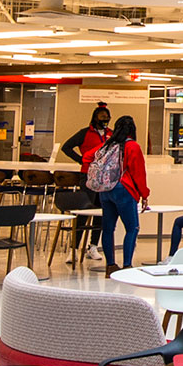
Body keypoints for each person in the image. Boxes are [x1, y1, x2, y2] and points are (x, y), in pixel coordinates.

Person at [94, 114, 149, 277]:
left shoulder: (108, 144)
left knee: (108, 228)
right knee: (132, 228)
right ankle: (126, 266)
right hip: (124, 189)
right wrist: (144, 194)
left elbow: (88, 157)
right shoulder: (132, 146)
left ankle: (110, 265)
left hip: (106, 189)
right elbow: (138, 173)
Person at [59, 102, 111, 261]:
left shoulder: (111, 134)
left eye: (107, 117)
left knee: (101, 212)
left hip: (105, 177)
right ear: (95, 118)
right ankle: (74, 249)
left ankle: (93, 246)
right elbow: (66, 147)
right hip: (88, 175)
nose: (104, 120)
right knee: (83, 211)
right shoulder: (84, 133)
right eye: (101, 117)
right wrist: (81, 160)